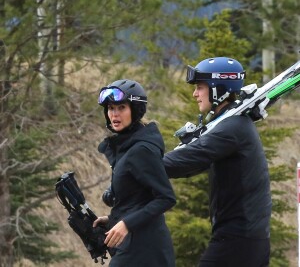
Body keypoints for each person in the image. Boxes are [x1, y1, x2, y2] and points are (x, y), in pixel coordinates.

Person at [163, 57, 272, 267]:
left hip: (237, 240)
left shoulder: (231, 128)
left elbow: (191, 156)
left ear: (217, 89)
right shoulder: (234, 124)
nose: (195, 94)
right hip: (248, 238)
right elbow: (193, 164)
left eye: (200, 87)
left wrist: (142, 166)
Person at [93, 79, 176, 267]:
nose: (114, 114)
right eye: (111, 108)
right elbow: (138, 198)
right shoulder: (126, 146)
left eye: (121, 107)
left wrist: (126, 223)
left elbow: (166, 198)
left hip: (146, 249)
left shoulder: (142, 150)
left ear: (135, 110)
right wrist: (114, 219)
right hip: (133, 245)